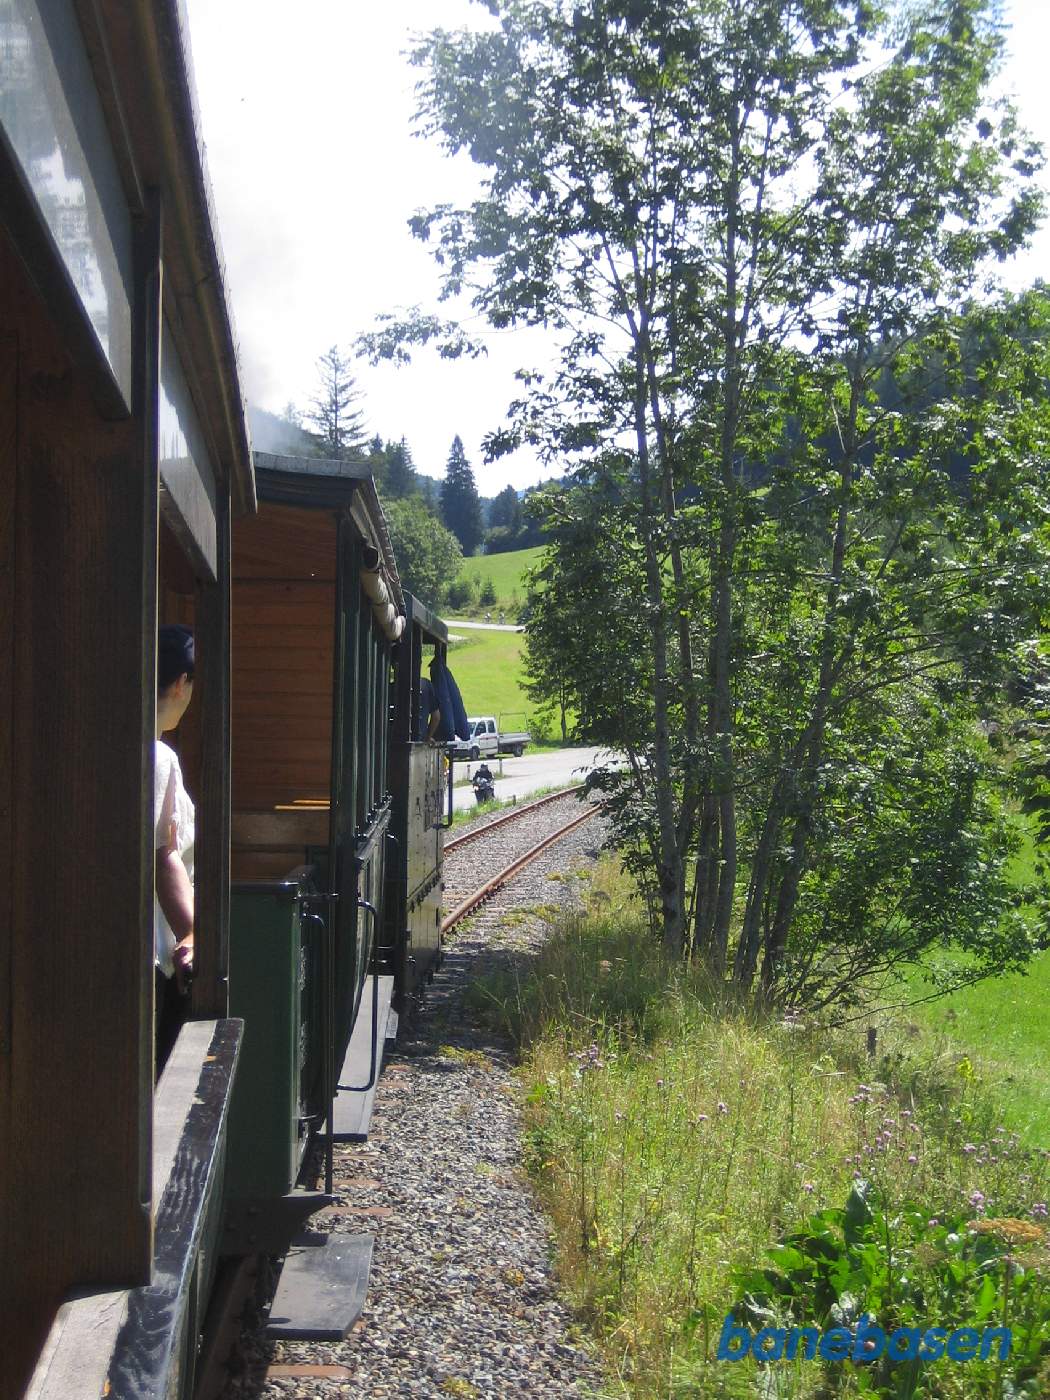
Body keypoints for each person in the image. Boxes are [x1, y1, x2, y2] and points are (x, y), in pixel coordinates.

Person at [155, 624, 196, 1067]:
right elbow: (162, 854)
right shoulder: (158, 758)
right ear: (182, 685)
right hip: (155, 960)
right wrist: (192, 932)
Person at [418, 672, 441, 743]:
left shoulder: (390, 686)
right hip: (420, 739)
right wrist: (428, 737)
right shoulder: (426, 685)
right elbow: (436, 717)